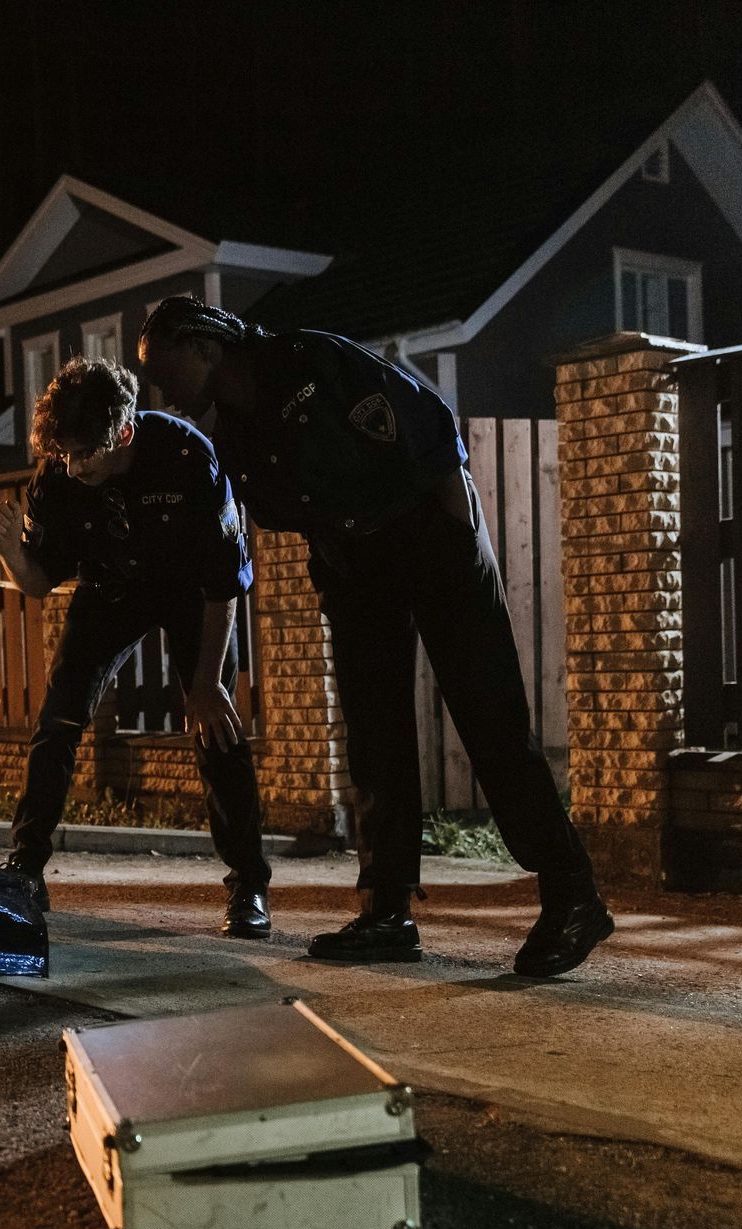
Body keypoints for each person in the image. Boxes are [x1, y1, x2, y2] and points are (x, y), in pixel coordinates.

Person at [135, 296, 612, 977]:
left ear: (204, 345)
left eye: (162, 368)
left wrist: (461, 544)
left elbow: (430, 425)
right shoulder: (234, 433)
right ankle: (386, 913)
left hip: (429, 534)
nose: (160, 388)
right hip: (356, 569)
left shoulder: (313, 360)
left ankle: (572, 897)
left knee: (491, 722)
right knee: (374, 738)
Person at [0, 355, 271, 937]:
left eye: (86, 453)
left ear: (125, 433)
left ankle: (248, 886)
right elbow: (39, 583)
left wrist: (208, 682)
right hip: (111, 588)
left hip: (193, 592)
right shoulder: (59, 477)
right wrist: (13, 550)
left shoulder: (188, 459)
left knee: (216, 728)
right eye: (64, 453)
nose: (74, 465)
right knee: (58, 717)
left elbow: (225, 579)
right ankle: (26, 868)